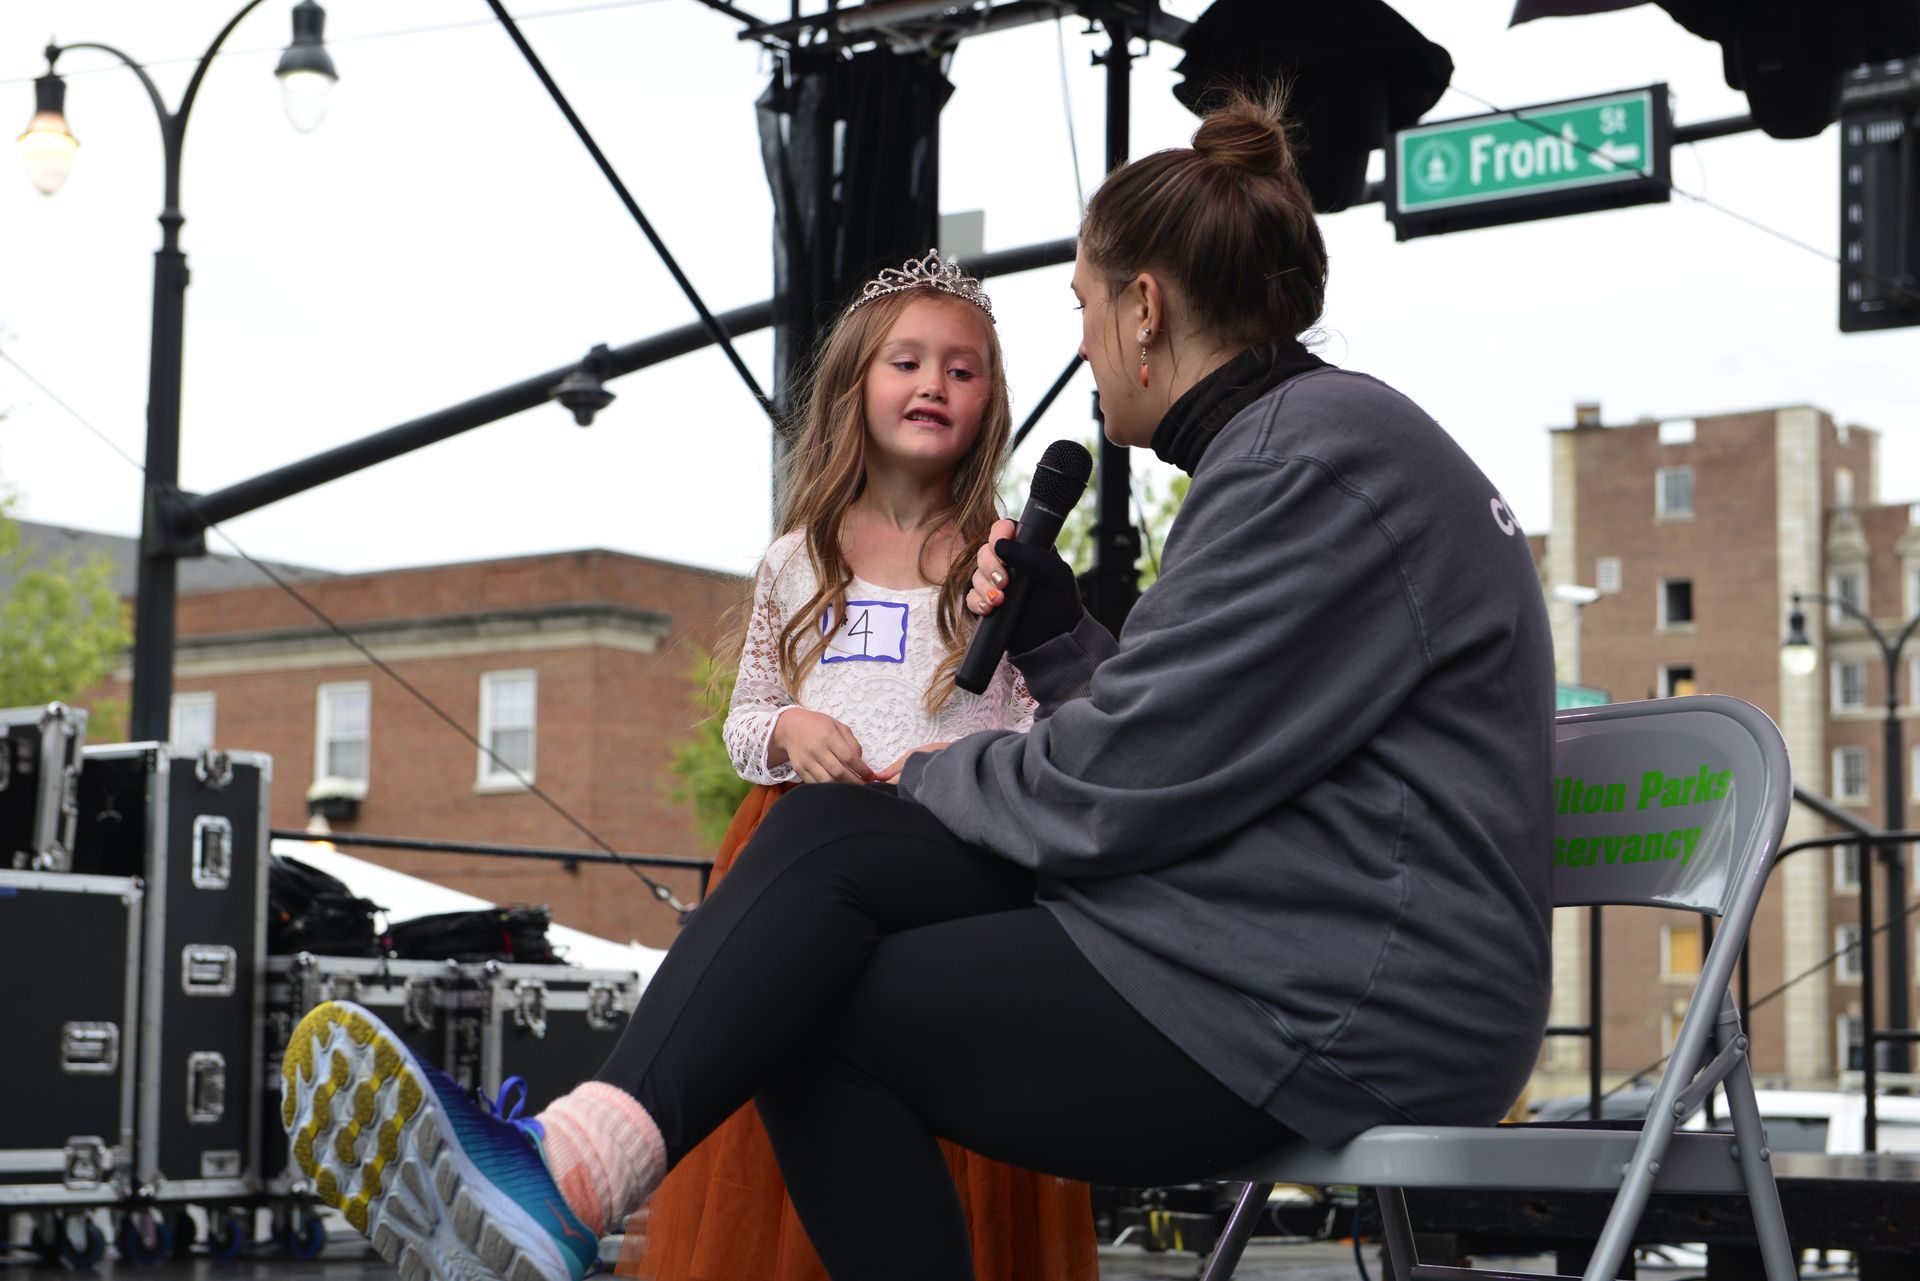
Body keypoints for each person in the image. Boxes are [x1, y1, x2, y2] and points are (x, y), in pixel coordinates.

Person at [283, 89, 1556, 1281]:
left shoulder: (1304, 472)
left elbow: (1122, 785)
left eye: (1083, 308)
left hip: (1342, 998)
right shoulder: (1311, 450)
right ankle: (573, 1164)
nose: (1089, 346)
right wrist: (1060, 644)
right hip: (1276, 931)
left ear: (1148, 311)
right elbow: (1207, 740)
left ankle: (565, 1179)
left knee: (823, 1006)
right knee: (829, 841)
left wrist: (927, 770)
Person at [621, 251, 1095, 1281]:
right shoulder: (799, 557)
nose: (934, 384)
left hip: (945, 860)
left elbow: (1042, 724)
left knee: (911, 1090)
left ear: (991, 402)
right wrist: (790, 729)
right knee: (784, 1072)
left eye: (963, 370)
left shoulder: (1000, 557)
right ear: (855, 388)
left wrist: (978, 741)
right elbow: (745, 719)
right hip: (796, 851)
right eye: (907, 362)